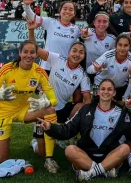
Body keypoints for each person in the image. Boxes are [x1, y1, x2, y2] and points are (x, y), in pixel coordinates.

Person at [37, 79, 131, 181]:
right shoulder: (85, 110)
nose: (106, 92)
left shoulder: (122, 114)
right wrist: (50, 127)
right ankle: (104, 171)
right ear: (98, 92)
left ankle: (89, 173)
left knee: (125, 148)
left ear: (114, 93)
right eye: (103, 89)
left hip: (109, 155)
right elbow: (67, 130)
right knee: (69, 150)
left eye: (109, 89)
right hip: (87, 155)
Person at [26, 20, 91, 172]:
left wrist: (85, 120)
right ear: (68, 52)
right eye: (74, 50)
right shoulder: (56, 59)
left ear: (84, 56)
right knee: (42, 154)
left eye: (81, 52)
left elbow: (87, 100)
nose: (77, 54)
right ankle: (35, 143)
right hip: (45, 110)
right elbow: (35, 49)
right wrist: (31, 31)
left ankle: (69, 136)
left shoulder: (82, 75)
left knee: (82, 106)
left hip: (61, 111)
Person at [0, 40, 57, 165]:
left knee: (50, 110)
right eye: (25, 52)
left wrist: (45, 102)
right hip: (3, 112)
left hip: (24, 110)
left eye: (32, 52)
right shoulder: (7, 69)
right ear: (20, 53)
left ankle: (48, 158)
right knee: (2, 159)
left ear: (36, 55)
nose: (29, 55)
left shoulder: (39, 71)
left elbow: (54, 100)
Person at [22, 0, 80, 74]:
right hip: (46, 67)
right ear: (60, 11)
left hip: (63, 70)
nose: (67, 11)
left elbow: (88, 35)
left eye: (71, 10)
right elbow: (33, 18)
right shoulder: (50, 22)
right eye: (65, 9)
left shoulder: (77, 29)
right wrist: (27, 6)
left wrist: (84, 35)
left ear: (74, 14)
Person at [86, 34, 131, 102]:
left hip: (118, 88)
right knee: (96, 106)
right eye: (120, 45)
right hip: (100, 85)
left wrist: (124, 98)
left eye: (126, 45)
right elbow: (89, 70)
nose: (122, 48)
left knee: (119, 109)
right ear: (115, 46)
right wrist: (96, 69)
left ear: (129, 47)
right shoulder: (108, 55)